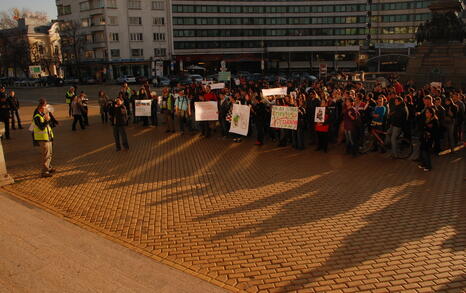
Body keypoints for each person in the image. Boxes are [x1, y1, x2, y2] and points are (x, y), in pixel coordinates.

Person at [33, 99, 56, 177]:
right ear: (41, 107)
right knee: (46, 155)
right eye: (45, 107)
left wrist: (50, 119)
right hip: (43, 139)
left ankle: (48, 167)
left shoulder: (42, 114)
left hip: (48, 137)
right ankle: (44, 172)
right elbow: (42, 127)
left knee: (50, 154)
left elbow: (48, 125)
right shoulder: (37, 116)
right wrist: (46, 120)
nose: (46, 108)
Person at [418, 107, 439, 171]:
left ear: (431, 113)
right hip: (424, 137)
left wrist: (428, 131)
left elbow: (435, 130)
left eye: (427, 112)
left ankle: (428, 166)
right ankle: (423, 164)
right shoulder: (427, 119)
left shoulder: (434, 120)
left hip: (429, 138)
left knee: (425, 151)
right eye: (426, 112)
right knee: (422, 150)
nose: (426, 113)